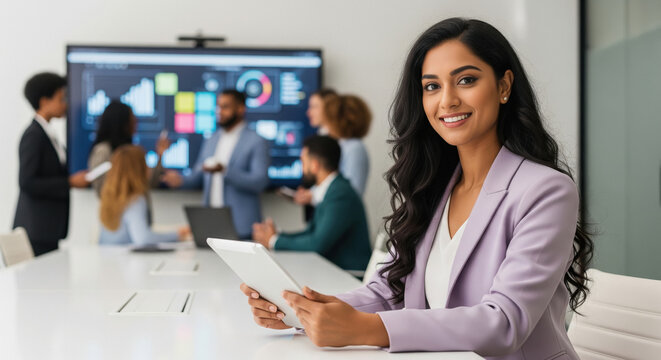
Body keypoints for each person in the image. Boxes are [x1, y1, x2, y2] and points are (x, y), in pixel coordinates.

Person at [240, 18, 594, 360]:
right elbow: (390, 290)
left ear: (504, 87)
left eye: (466, 80)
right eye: (431, 86)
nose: (447, 100)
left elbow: (504, 322)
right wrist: (302, 310)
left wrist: (366, 329)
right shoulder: (433, 187)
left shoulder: (545, 190)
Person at [161, 89, 270, 239]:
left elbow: (260, 181)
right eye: (218, 106)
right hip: (211, 223)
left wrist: (225, 171)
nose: (220, 111)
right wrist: (180, 180)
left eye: (225, 107)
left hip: (242, 226)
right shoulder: (211, 140)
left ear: (240, 109)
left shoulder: (256, 141)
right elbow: (197, 175)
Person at [252, 135, 371, 272]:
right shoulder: (333, 189)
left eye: (303, 162)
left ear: (314, 165)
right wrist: (277, 236)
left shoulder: (340, 193)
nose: (301, 168)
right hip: (334, 271)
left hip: (349, 275)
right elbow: (311, 233)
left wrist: (274, 241)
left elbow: (317, 244)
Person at [13, 72, 89, 256]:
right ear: (44, 101)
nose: (66, 103)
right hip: (36, 230)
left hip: (48, 230)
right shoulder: (33, 136)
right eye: (61, 98)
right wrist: (69, 182)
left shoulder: (49, 135)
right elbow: (27, 181)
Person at [99, 145, 189, 245]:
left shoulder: (109, 197)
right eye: (145, 164)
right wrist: (177, 235)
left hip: (105, 258)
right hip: (125, 259)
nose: (149, 168)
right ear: (138, 170)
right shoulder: (135, 200)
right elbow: (143, 239)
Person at [88, 100, 169, 195]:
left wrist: (160, 155)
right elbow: (102, 188)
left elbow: (147, 184)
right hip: (115, 208)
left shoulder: (132, 152)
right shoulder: (103, 151)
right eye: (132, 119)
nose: (135, 122)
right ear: (121, 123)